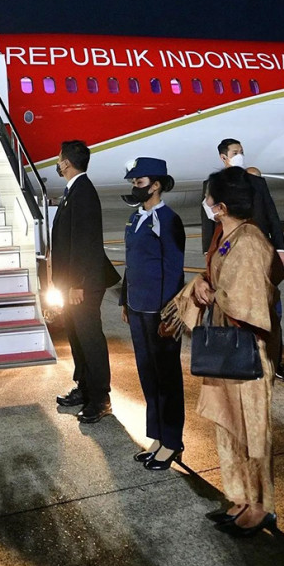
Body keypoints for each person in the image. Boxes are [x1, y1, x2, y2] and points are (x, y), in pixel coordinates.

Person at [164, 165, 284, 538]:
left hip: (246, 353)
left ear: (219, 206)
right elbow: (219, 279)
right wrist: (202, 283)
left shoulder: (249, 241)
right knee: (230, 428)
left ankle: (261, 505)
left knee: (252, 431)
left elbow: (249, 301)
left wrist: (211, 293)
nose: (206, 203)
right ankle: (239, 498)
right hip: (225, 348)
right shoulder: (228, 236)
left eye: (209, 198)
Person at [118, 157, 187, 470]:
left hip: (160, 313)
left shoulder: (168, 220)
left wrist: (170, 314)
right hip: (138, 308)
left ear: (156, 184)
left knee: (167, 378)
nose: (135, 186)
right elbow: (130, 265)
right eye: (133, 181)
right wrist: (124, 301)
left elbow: (174, 271)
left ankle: (172, 442)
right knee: (148, 376)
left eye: (140, 181)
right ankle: (157, 436)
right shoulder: (136, 218)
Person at [202, 139, 284, 380]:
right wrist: (207, 264)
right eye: (235, 153)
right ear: (223, 157)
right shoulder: (214, 188)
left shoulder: (254, 186)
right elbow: (209, 228)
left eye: (241, 152)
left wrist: (280, 249)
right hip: (229, 258)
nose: (240, 156)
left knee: (270, 311)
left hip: (257, 256)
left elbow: (271, 214)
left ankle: (272, 361)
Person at [51, 140, 121, 423]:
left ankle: (101, 397)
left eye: (59, 158)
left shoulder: (84, 193)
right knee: (76, 335)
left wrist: (77, 283)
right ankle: (85, 387)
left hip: (83, 283)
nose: (57, 162)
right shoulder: (73, 191)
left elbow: (86, 243)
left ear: (66, 162)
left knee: (89, 337)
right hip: (72, 283)